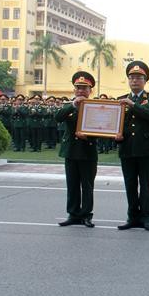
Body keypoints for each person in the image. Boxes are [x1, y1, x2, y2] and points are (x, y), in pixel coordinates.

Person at [115, 61, 149, 231]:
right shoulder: (120, 100)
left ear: (145, 80)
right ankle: (132, 217)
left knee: (145, 185)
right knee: (130, 184)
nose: (135, 81)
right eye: (132, 78)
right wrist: (116, 136)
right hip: (127, 148)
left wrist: (133, 105)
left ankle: (146, 217)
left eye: (138, 78)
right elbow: (116, 124)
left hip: (146, 148)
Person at [55, 71, 98, 227]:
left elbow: (102, 129)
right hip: (71, 151)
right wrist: (73, 104)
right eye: (78, 87)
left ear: (90, 90)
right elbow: (58, 117)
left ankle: (86, 215)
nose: (81, 91)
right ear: (74, 90)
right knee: (72, 184)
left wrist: (89, 137)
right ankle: (73, 214)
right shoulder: (69, 106)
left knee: (87, 186)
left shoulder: (96, 107)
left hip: (88, 150)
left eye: (84, 88)